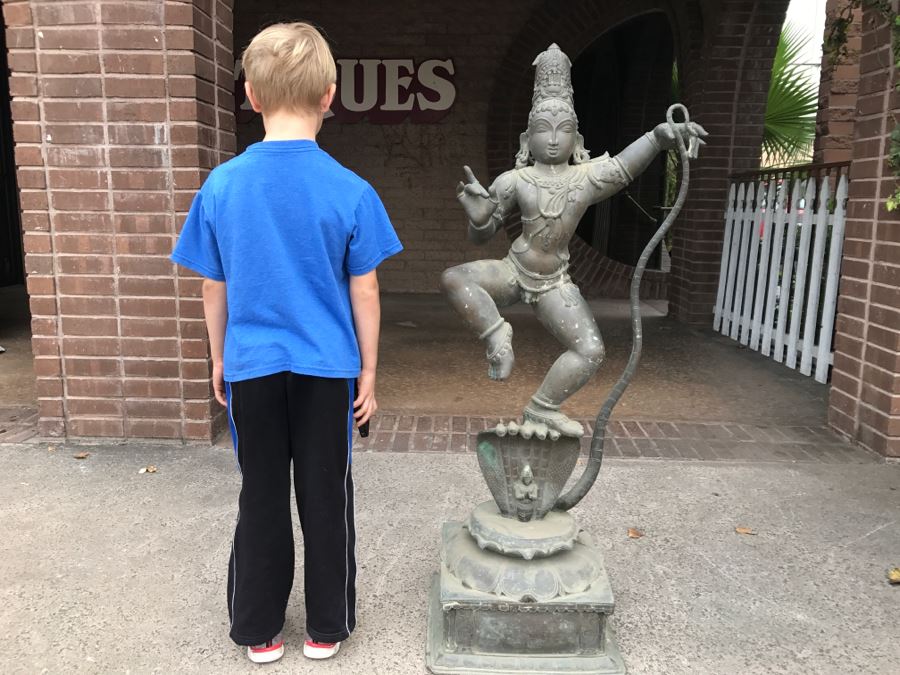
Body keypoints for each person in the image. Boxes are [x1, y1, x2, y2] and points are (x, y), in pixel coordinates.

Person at [170, 22, 402, 665]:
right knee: (326, 496)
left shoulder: (220, 186)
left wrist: (220, 358)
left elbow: (213, 289)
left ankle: (258, 631)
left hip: (252, 367)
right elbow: (367, 292)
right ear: (330, 95)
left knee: (261, 494)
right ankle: (327, 627)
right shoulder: (351, 191)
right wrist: (370, 374)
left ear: (250, 94)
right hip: (328, 370)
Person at [441, 44, 706, 439]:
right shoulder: (514, 180)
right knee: (454, 277)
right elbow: (481, 235)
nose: (551, 140)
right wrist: (478, 218)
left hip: (555, 282)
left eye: (562, 130)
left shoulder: (586, 178)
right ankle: (497, 335)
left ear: (577, 137)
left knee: (591, 351)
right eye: (541, 130)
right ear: (525, 138)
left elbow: (622, 167)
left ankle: (543, 408)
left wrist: (658, 137)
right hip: (513, 270)